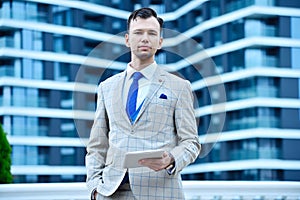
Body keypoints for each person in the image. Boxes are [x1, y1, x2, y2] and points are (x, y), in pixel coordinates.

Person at [85, 7, 201, 200]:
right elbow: (97, 144)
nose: (145, 38)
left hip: (160, 192)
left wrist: (171, 158)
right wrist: (94, 187)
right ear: (127, 39)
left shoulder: (179, 87)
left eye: (152, 33)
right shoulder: (107, 87)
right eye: (138, 33)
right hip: (111, 192)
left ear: (160, 42)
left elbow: (191, 143)